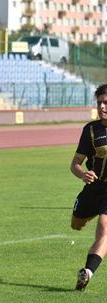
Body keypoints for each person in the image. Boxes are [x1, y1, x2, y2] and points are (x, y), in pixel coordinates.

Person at [70, 83, 107, 291]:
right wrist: (83, 174)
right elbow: (74, 163)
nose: (102, 107)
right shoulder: (91, 130)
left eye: (106, 102)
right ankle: (92, 212)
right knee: (76, 225)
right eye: (100, 102)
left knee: (104, 230)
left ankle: (87, 273)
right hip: (93, 188)